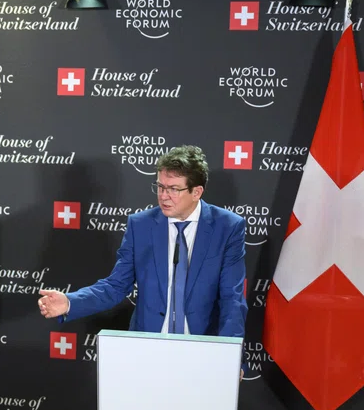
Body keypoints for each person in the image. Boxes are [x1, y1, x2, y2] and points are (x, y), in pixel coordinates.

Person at [39, 145, 247, 347]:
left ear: (197, 192)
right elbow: (116, 285)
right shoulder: (141, 225)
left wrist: (232, 355)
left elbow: (232, 300)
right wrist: (70, 303)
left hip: (203, 347)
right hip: (147, 347)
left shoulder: (227, 227)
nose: (164, 196)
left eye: (174, 189)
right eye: (160, 186)